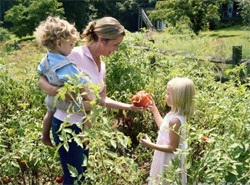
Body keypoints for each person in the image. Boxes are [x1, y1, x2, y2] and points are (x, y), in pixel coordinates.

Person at [37, 16, 142, 184]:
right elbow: (44, 77)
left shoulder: (102, 65)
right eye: (115, 45)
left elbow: (102, 99)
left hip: (85, 128)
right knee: (73, 177)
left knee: (81, 174)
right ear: (102, 39)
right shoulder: (73, 54)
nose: (116, 50)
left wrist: (129, 106)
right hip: (67, 126)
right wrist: (53, 90)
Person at [35, 16, 93, 148]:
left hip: (51, 98)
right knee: (89, 109)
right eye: (71, 45)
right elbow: (79, 81)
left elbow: (40, 72)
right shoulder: (65, 64)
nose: (72, 48)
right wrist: (87, 97)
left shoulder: (47, 59)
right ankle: (85, 138)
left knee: (49, 112)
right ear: (60, 43)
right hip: (65, 101)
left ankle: (44, 135)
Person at [140, 77, 195, 185]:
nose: (166, 96)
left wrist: (150, 145)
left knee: (166, 180)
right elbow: (163, 127)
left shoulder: (175, 120)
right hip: (165, 155)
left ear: (178, 98)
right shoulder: (173, 114)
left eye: (168, 94)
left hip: (169, 159)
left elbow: (172, 148)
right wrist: (154, 110)